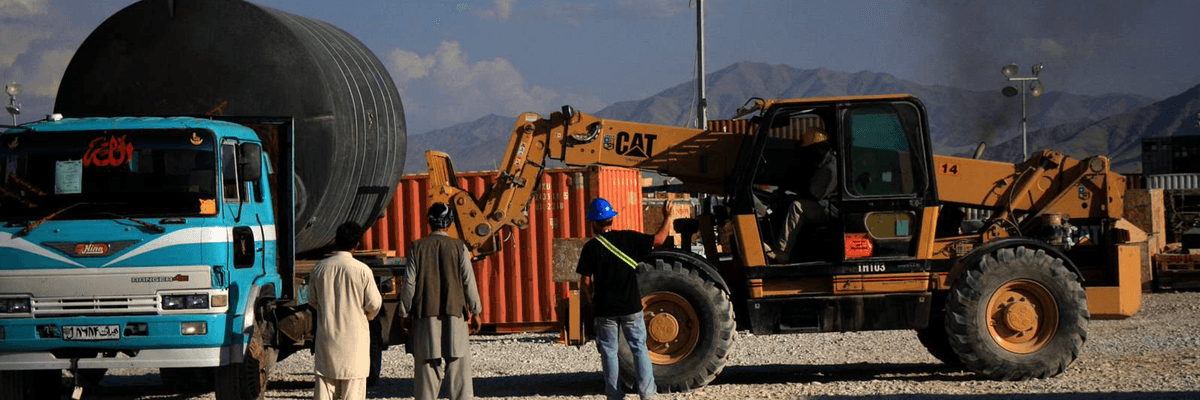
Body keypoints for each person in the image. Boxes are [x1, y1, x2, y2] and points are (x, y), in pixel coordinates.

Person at [575, 197, 675, 400]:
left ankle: (614, 395)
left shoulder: (591, 247)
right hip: (631, 307)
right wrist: (667, 217)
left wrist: (592, 300)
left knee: (609, 352)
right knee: (639, 349)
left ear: (594, 223)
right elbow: (658, 240)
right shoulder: (629, 238)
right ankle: (648, 394)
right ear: (611, 219)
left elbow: (584, 282)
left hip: (605, 310)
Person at [400, 203, 483, 400]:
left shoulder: (417, 247)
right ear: (450, 222)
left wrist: (404, 312)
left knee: (427, 369)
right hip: (455, 314)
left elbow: (409, 283)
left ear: (429, 222)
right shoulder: (459, 247)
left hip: (425, 315)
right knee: (458, 367)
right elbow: (468, 281)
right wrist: (476, 311)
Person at [308, 221, 383, 400]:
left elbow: (312, 301)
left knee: (324, 391)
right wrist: (367, 316)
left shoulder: (319, 268)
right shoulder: (362, 270)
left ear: (336, 240)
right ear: (356, 244)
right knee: (353, 392)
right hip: (354, 344)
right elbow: (374, 304)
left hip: (327, 341)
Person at [771, 125, 837, 263]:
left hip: (832, 208)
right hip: (825, 203)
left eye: (811, 149)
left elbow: (813, 194)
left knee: (797, 206)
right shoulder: (823, 163)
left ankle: (782, 252)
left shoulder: (829, 168)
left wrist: (790, 196)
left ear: (819, 148)